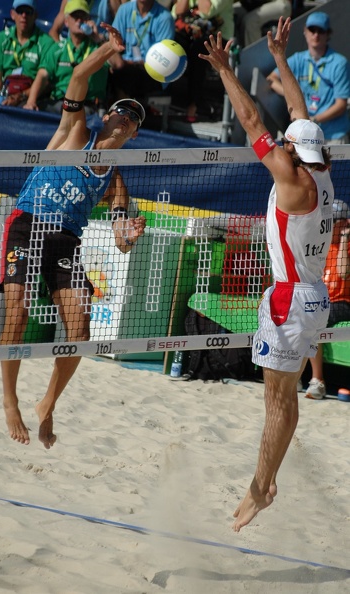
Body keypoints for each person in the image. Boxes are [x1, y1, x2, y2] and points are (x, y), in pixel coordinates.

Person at [200, 16, 334, 531]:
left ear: (294, 153)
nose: (280, 146)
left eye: (286, 145)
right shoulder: (321, 171)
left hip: (290, 299)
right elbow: (299, 113)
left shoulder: (293, 180)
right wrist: (279, 56)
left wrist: (225, 69)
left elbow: (253, 120)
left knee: (276, 400)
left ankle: (260, 488)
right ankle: (268, 478)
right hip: (311, 296)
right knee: (284, 397)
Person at [0, 24, 146, 449]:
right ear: (107, 116)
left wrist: (129, 234)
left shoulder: (114, 180)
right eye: (122, 110)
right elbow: (79, 77)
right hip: (29, 222)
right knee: (18, 311)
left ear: (134, 134)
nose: (127, 117)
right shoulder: (76, 131)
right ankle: (10, 400)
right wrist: (109, 49)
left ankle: (47, 403)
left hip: (65, 241)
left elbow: (120, 241)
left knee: (80, 329)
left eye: (134, 117)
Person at [268, 12, 350, 144]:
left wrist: (314, 119)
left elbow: (341, 105)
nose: (316, 35)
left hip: (332, 136)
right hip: (305, 135)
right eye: (312, 30)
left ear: (328, 34)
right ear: (305, 31)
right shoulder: (298, 59)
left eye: (321, 31)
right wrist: (293, 95)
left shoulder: (339, 63)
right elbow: (271, 79)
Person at [23, 0, 109, 114]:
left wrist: (97, 38)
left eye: (83, 17)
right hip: (59, 103)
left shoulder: (98, 48)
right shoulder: (57, 49)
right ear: (66, 22)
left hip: (86, 106)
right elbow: (42, 75)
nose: (79, 20)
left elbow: (117, 64)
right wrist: (31, 101)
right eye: (75, 16)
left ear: (88, 20)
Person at [304, 198, 350, 399]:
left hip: (344, 302)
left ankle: (318, 381)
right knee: (299, 313)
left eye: (332, 221)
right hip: (322, 299)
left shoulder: (345, 245)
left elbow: (343, 273)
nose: (327, 225)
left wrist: (344, 240)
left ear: (343, 224)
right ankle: (295, 372)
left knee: (314, 318)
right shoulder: (320, 245)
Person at [171, 0, 234, 122]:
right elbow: (177, 12)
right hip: (191, 32)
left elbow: (206, 12)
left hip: (218, 38)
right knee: (171, 42)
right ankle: (162, 96)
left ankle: (193, 105)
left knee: (199, 49)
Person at [0, 0, 55, 107]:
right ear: (12, 14)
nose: (24, 15)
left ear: (35, 15)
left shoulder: (46, 43)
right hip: (4, 90)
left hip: (30, 94)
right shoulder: (1, 38)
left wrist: (20, 96)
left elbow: (45, 83)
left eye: (28, 12)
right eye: (20, 11)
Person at [108, 0, 175, 105]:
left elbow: (163, 61)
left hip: (152, 72)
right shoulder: (124, 9)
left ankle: (123, 111)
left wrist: (130, 64)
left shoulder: (165, 17)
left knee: (125, 73)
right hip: (125, 65)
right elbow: (113, 42)